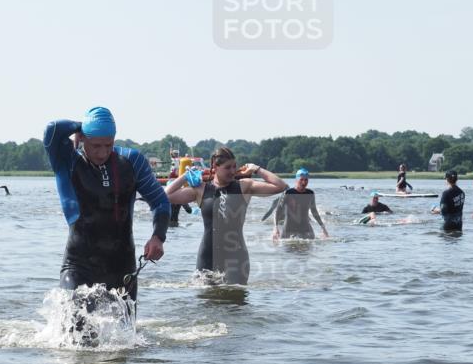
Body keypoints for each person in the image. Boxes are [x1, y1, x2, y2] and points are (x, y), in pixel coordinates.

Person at [43, 107, 170, 301]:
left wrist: (158, 236)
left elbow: (160, 201)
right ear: (83, 138)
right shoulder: (66, 159)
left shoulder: (131, 161)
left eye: (108, 145)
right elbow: (52, 129)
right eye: (96, 145)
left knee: (124, 331)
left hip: (121, 266)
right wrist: (79, 126)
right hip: (78, 265)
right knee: (73, 324)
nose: (102, 153)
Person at [165, 146, 285, 285]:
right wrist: (185, 176)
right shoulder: (201, 190)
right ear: (215, 167)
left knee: (235, 303)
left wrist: (257, 169)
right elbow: (166, 196)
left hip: (236, 257)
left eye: (235, 166)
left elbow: (280, 186)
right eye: (228, 167)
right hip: (207, 256)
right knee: (206, 303)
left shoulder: (244, 187)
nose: (233, 171)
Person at [273, 168, 329, 240]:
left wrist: (323, 228)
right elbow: (277, 211)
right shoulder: (288, 193)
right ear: (296, 180)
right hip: (289, 229)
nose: (304, 182)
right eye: (301, 180)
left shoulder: (310, 194)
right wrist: (275, 228)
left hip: (305, 228)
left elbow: (314, 211)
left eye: (306, 180)